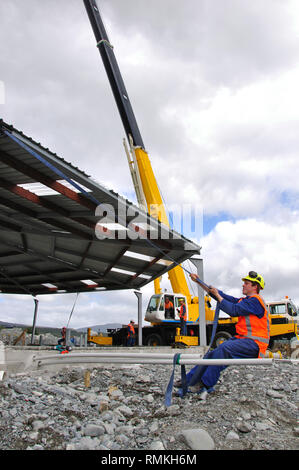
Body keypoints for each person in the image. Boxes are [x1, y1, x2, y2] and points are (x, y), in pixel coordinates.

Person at [178, 271, 269, 400]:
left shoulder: (255, 301)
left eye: (246, 283)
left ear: (255, 287)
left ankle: (205, 384)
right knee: (212, 353)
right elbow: (223, 297)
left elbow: (233, 310)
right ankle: (187, 380)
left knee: (224, 349)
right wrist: (199, 282)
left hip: (255, 344)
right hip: (245, 340)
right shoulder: (246, 300)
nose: (243, 285)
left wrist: (218, 296)